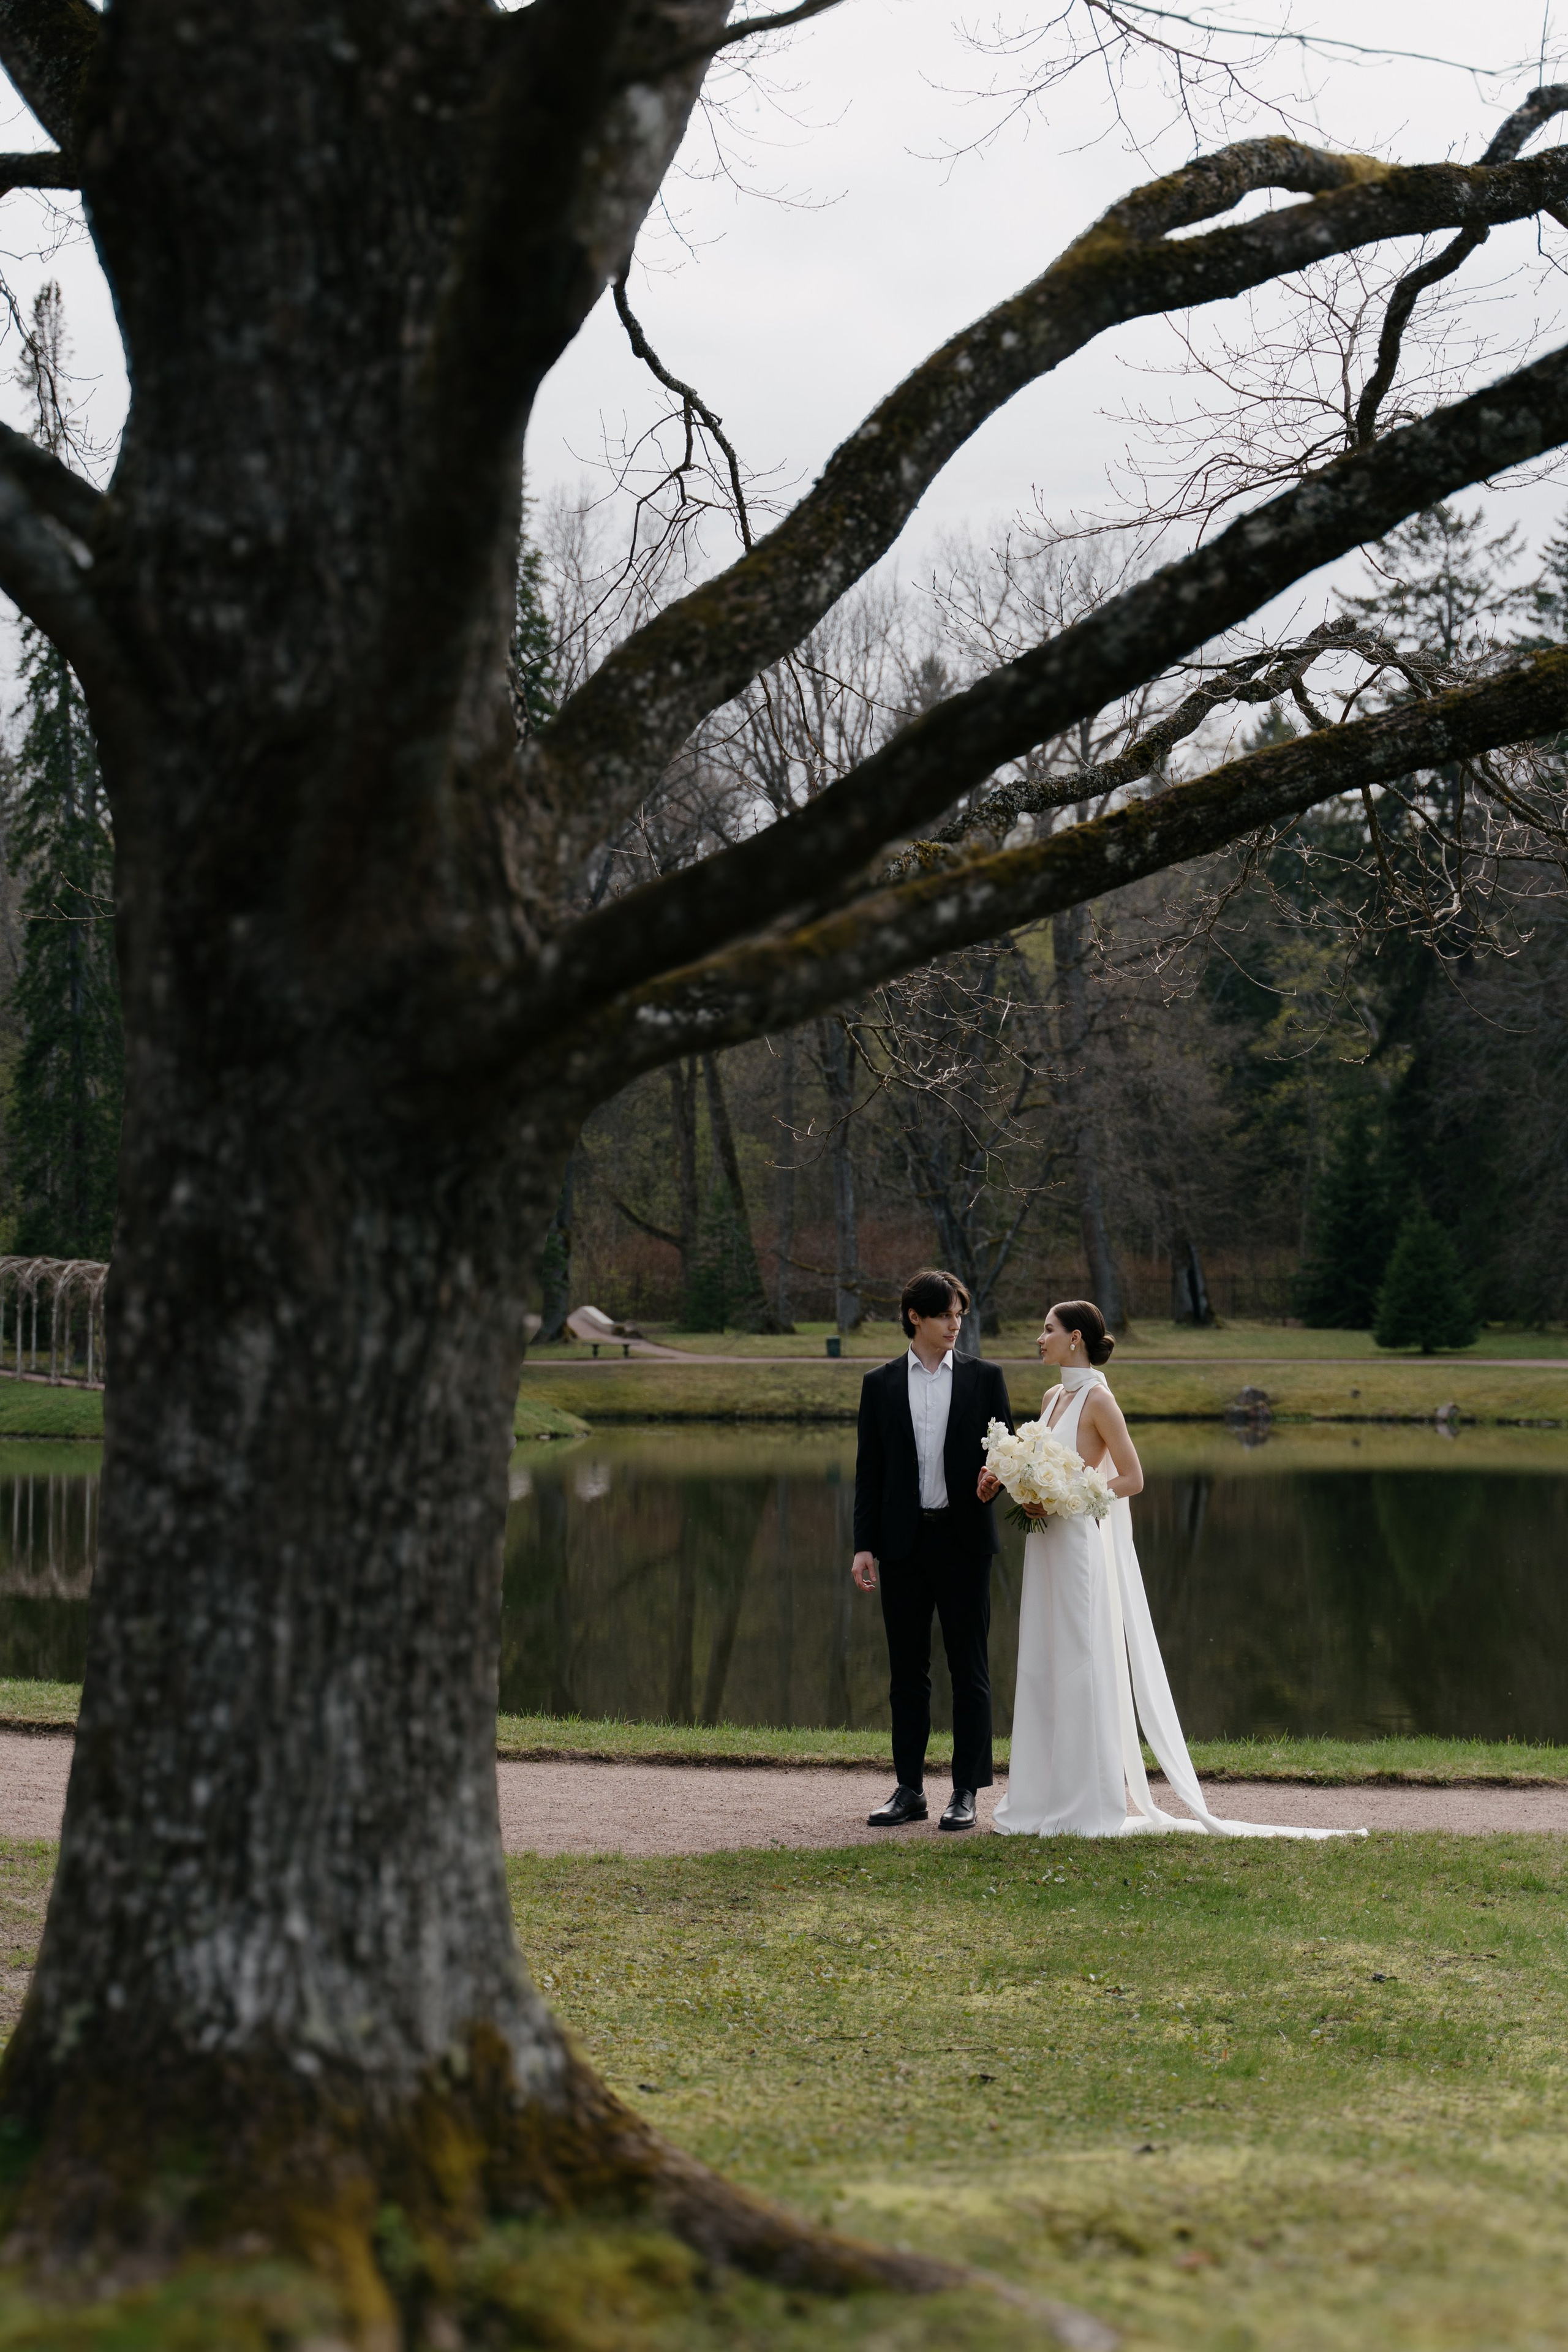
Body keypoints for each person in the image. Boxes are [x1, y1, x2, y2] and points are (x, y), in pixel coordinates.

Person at [989, 1299, 1352, 1841]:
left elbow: (1132, 1479)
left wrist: (1067, 1495)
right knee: (1043, 1662)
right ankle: (1038, 1799)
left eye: (1048, 1330)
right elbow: (1040, 1466)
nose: (1039, 1338)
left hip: (1078, 1549)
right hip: (1045, 1549)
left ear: (1077, 1340)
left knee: (1080, 1664)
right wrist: (1019, 1483)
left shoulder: (1099, 1399)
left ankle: (1085, 1802)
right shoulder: (1052, 1397)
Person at [851, 1269, 1014, 1833]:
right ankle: (909, 1790)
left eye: (960, 1315)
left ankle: (966, 1791)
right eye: (945, 1314)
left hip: (965, 1542)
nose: (955, 1324)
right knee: (906, 1674)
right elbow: (868, 1472)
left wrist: (997, 1480)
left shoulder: (984, 1378)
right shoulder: (880, 1384)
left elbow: (1007, 1455)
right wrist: (863, 1545)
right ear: (915, 1317)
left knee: (969, 1669)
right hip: (901, 1545)